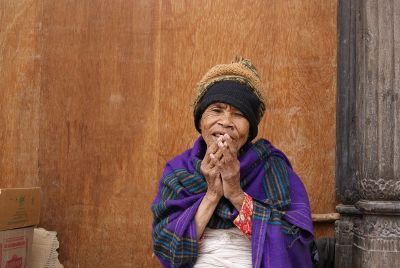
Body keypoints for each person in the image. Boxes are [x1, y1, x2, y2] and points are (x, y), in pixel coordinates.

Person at [151, 57, 314, 268]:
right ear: (200, 121)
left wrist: (236, 193)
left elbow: (296, 248)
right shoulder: (178, 171)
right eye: (216, 110)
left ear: (250, 130)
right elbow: (166, 250)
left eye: (238, 114)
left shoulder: (271, 167)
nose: (226, 122)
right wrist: (212, 194)